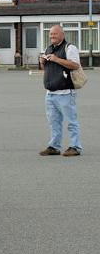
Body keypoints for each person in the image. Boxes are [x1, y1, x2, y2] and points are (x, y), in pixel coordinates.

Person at [39, 24, 82, 157]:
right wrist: (43, 61)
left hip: (65, 93)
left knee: (71, 121)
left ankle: (75, 146)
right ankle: (54, 146)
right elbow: (45, 68)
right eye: (50, 34)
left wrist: (57, 59)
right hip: (50, 94)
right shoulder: (48, 48)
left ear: (62, 35)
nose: (52, 36)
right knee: (54, 122)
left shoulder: (69, 47)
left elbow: (75, 65)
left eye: (55, 34)